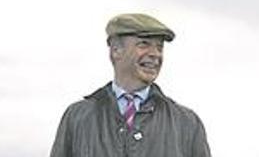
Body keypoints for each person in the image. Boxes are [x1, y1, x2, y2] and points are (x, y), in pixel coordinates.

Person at [50, 13, 211, 157]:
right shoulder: (78, 117)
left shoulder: (187, 123)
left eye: (159, 47)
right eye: (144, 44)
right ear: (115, 51)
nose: (155, 54)